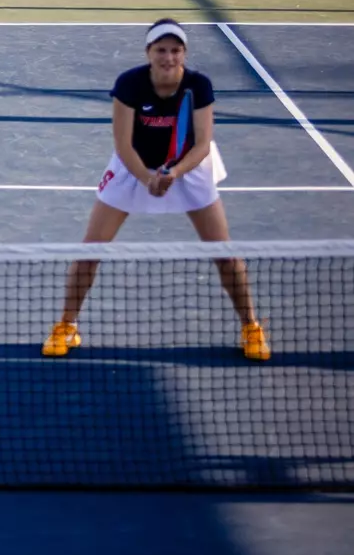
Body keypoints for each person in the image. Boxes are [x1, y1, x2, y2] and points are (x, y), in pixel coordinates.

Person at [43, 18, 269, 361]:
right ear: (149, 52)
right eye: (161, 50)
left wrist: (174, 173)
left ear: (184, 53)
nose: (168, 57)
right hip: (133, 166)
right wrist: (148, 178)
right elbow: (122, 144)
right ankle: (66, 326)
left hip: (189, 168)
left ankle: (251, 326)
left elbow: (203, 143)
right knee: (90, 251)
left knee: (224, 253)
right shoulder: (130, 84)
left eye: (175, 50)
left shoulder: (199, 86)